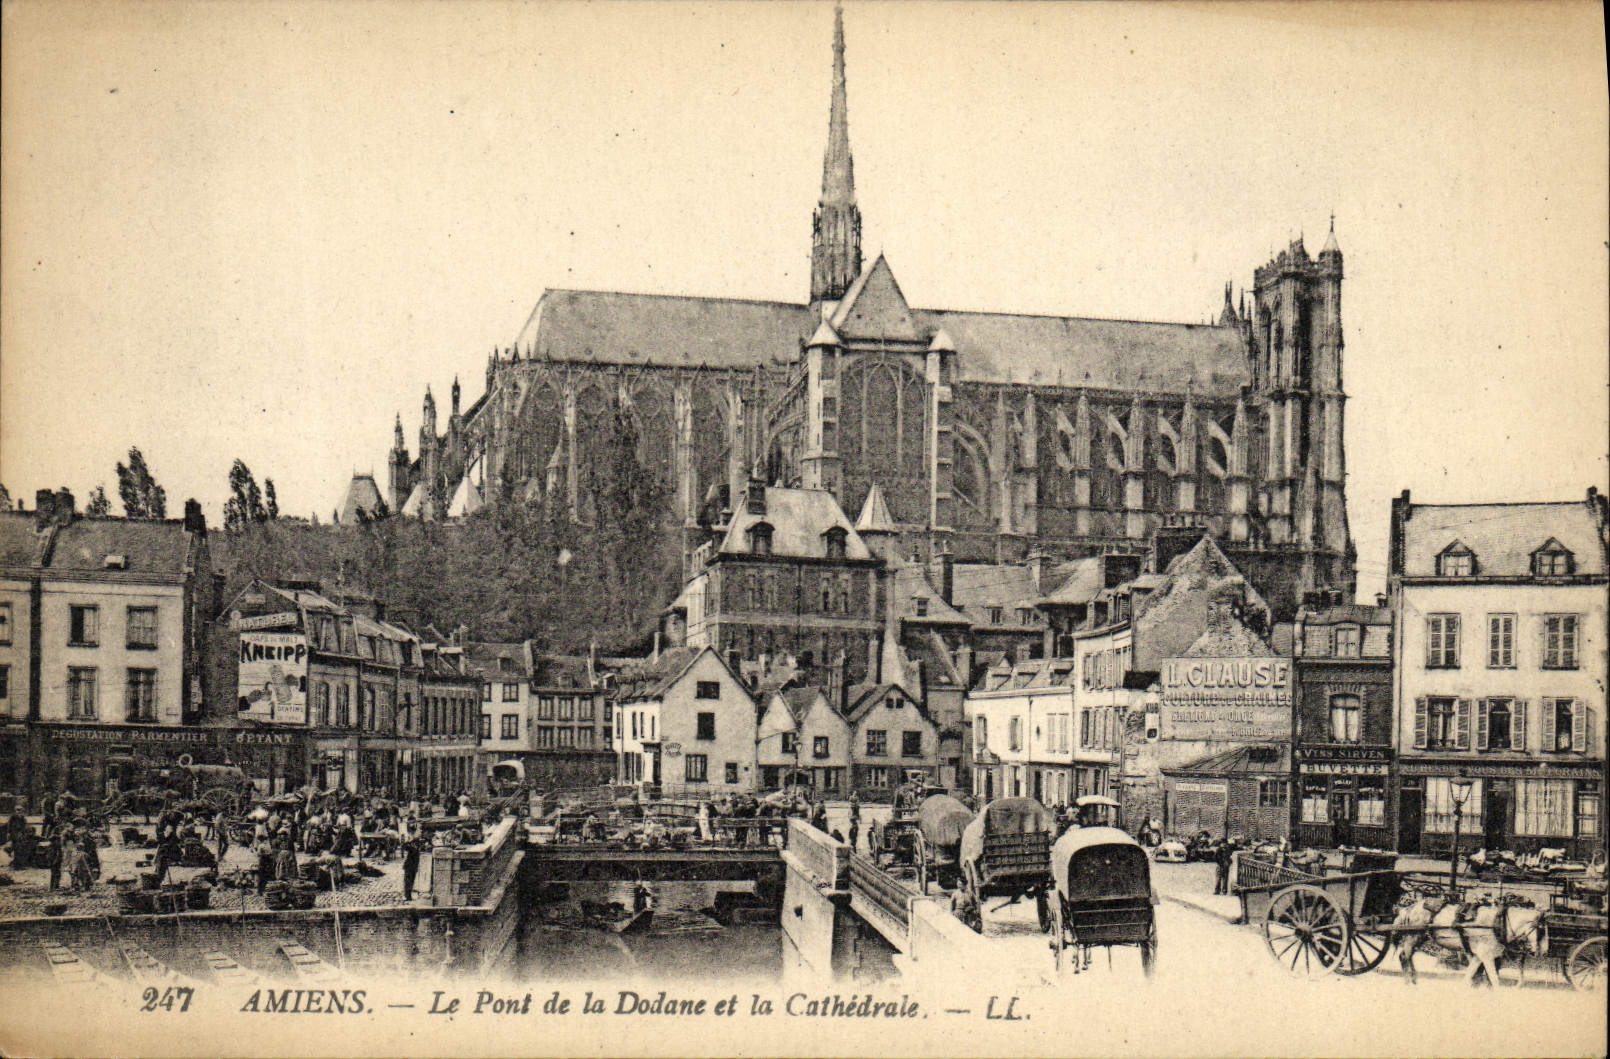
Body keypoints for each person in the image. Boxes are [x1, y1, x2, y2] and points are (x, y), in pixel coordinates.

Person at [401, 836, 422, 901]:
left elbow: (404, 846)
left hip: (411, 868)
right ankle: (408, 896)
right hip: (411, 868)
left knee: (409, 882)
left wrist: (409, 841)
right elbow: (404, 846)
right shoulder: (414, 849)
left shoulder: (414, 849)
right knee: (409, 882)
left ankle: (408, 896)